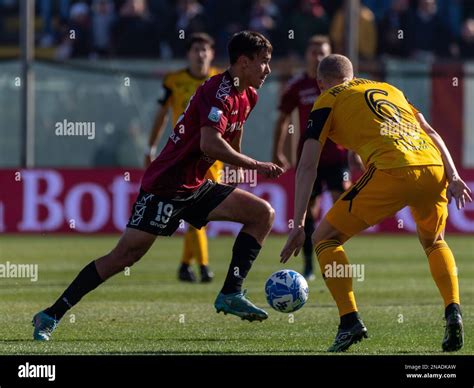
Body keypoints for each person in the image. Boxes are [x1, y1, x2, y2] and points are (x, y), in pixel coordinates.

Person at [33, 31, 283, 341]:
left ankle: (231, 292)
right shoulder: (217, 90)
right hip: (166, 185)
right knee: (124, 257)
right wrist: (255, 165)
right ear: (244, 62)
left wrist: (235, 167)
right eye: (264, 63)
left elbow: (232, 136)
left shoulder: (249, 94)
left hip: (197, 185)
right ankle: (50, 314)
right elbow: (210, 143)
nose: (268, 70)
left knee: (263, 214)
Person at [281, 54, 471, 352]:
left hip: (393, 169)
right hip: (434, 167)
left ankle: (349, 321)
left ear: (320, 83)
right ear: (354, 75)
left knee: (324, 238)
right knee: (434, 242)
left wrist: (299, 223)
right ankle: (454, 311)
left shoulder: (327, 99)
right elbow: (431, 132)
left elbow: (307, 165)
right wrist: (455, 175)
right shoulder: (389, 89)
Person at [272, 35, 354, 280]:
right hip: (309, 159)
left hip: (338, 157)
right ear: (307, 55)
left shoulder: (342, 84)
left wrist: (355, 152)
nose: (318, 56)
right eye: (314, 52)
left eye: (323, 53)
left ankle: (333, 255)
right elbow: (283, 119)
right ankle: (308, 265)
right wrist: (277, 151)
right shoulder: (298, 86)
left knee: (345, 206)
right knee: (309, 211)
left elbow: (354, 121)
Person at [145, 32, 220, 283]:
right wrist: (151, 146)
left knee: (199, 211)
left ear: (212, 54)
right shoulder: (174, 81)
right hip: (184, 153)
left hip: (213, 155)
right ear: (188, 54)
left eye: (205, 50)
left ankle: (185, 264)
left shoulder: (221, 80)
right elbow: (162, 114)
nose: (200, 54)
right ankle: (204, 267)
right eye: (196, 49)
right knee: (197, 209)